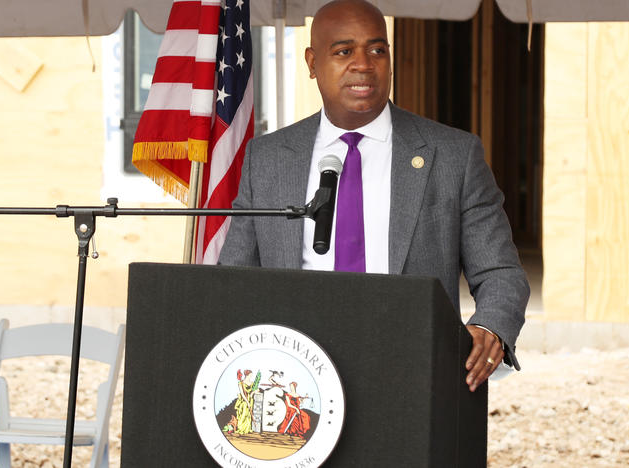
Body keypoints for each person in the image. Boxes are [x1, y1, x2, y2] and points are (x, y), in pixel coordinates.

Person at [219, 0, 529, 392]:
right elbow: (233, 279)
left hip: (413, 372)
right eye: (344, 51)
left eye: (377, 50)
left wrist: (489, 326)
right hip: (295, 375)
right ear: (312, 63)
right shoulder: (267, 159)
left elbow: (500, 272)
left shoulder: (453, 155)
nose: (363, 64)